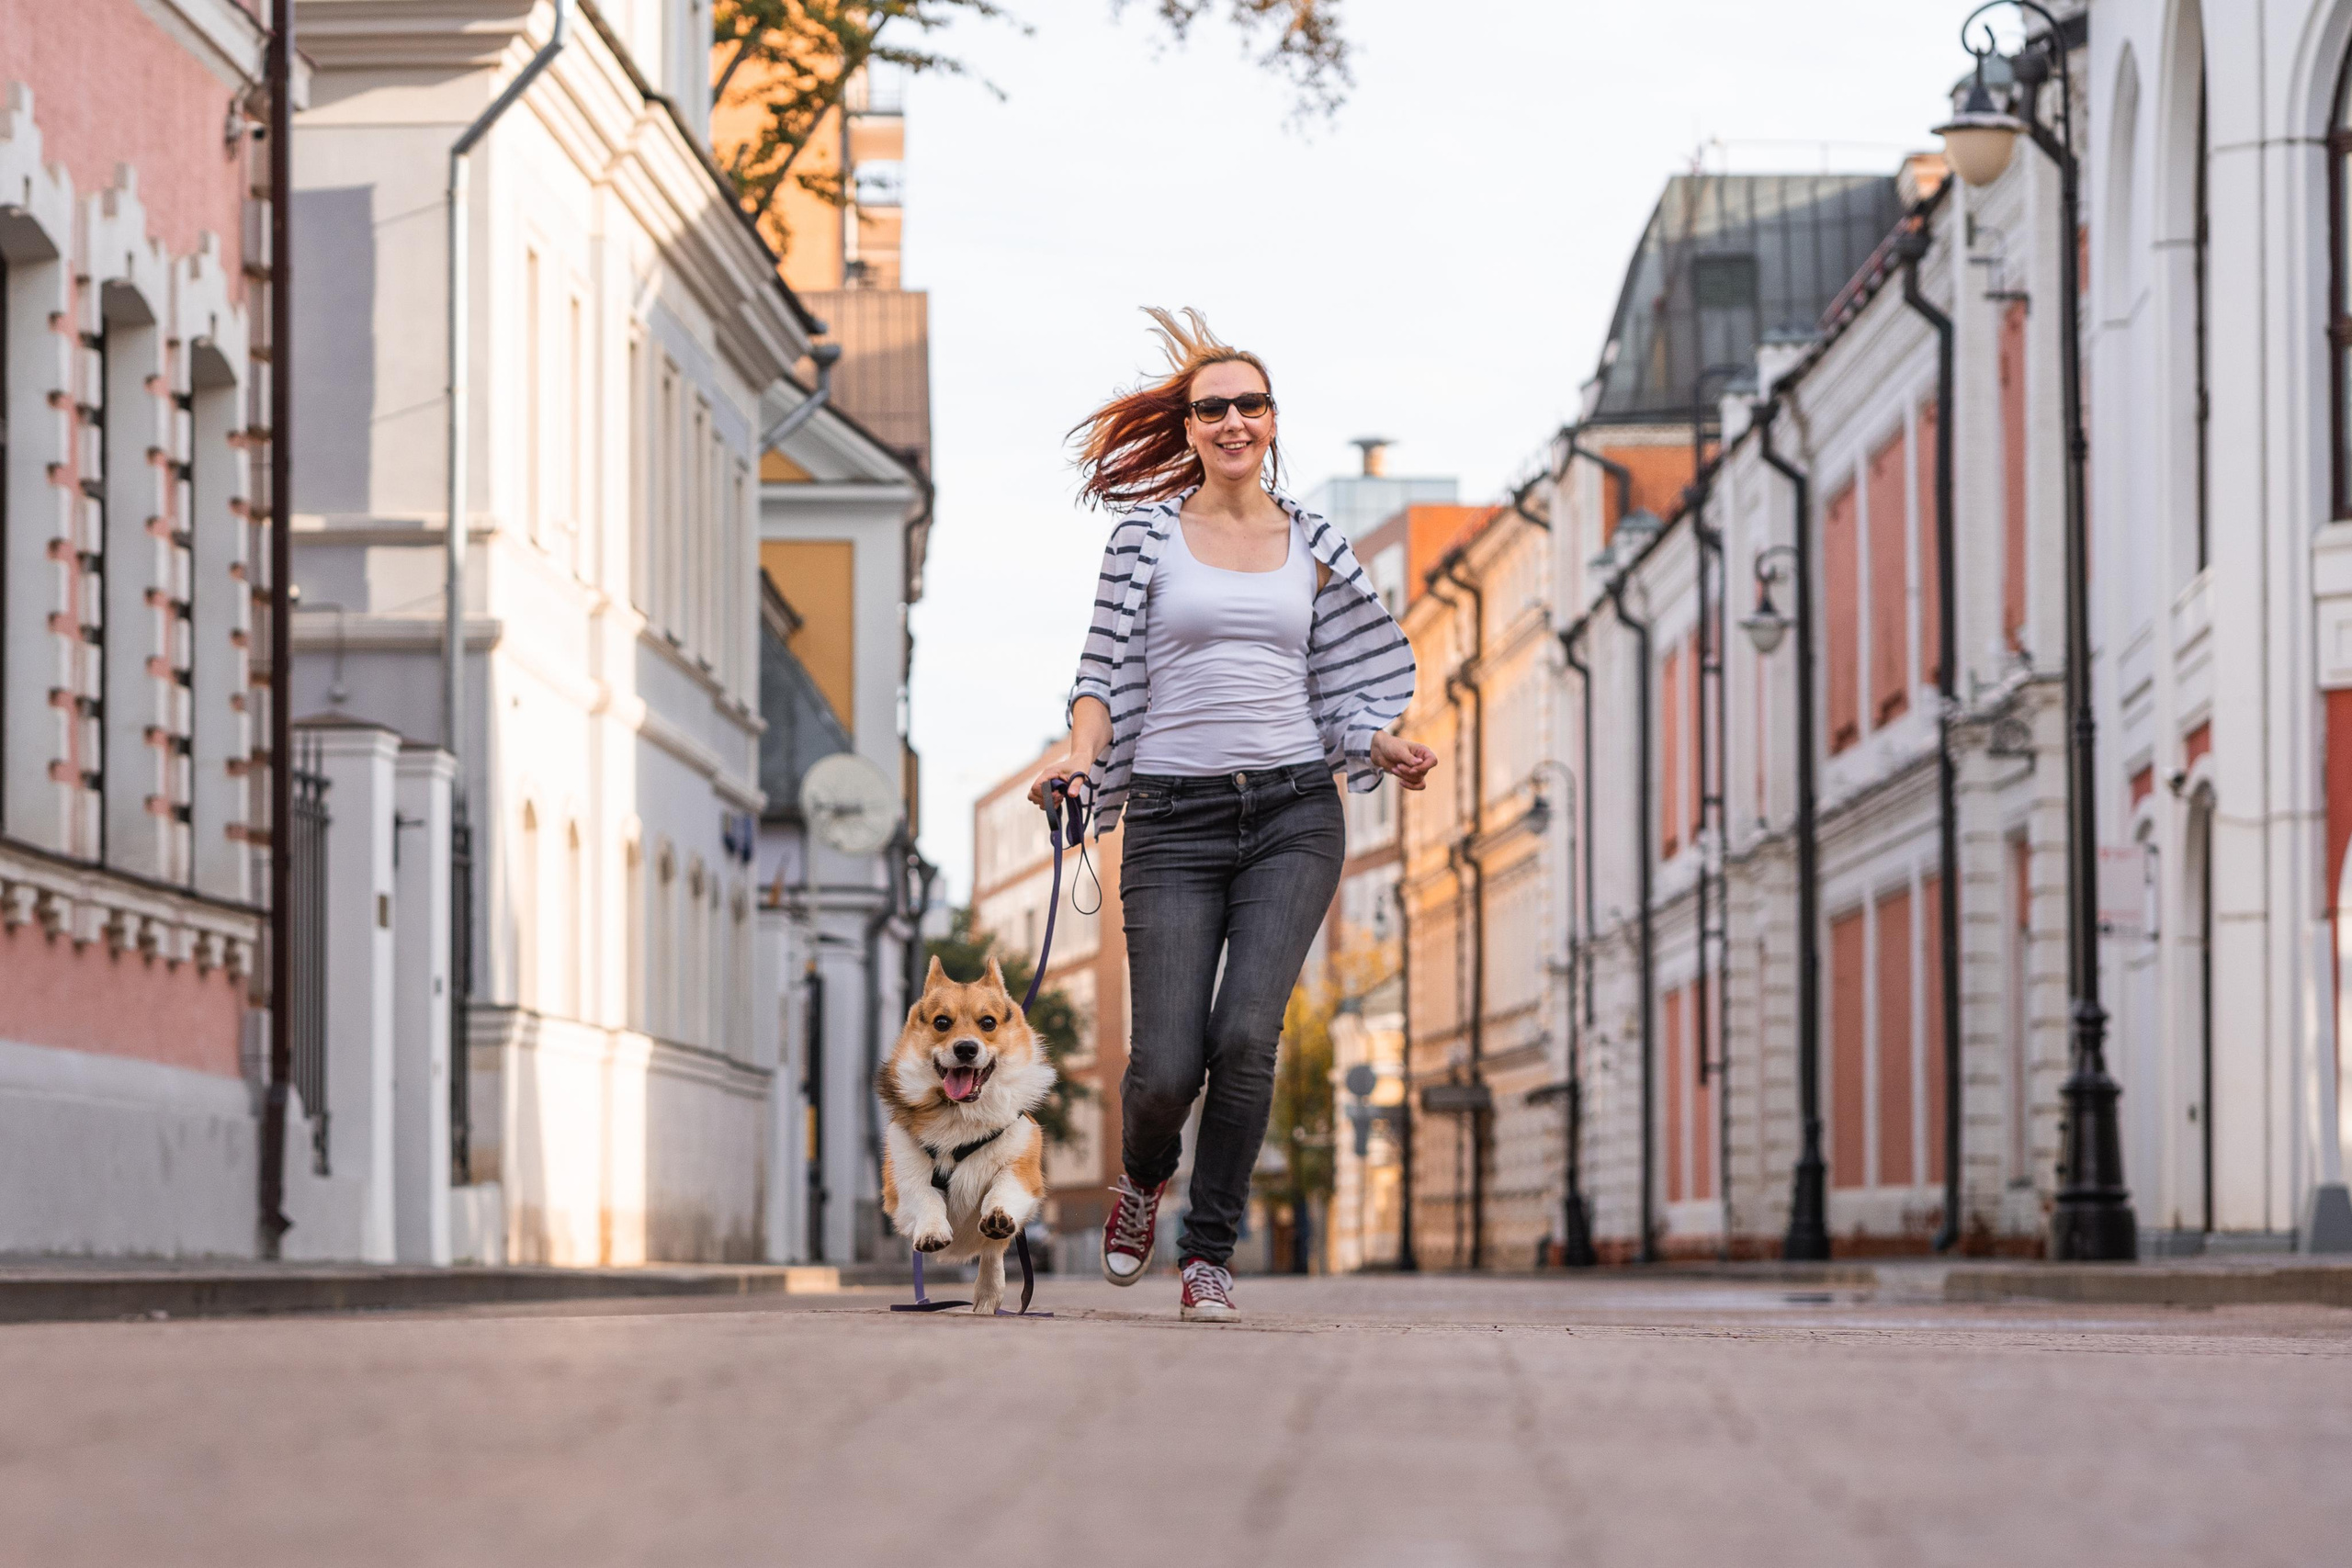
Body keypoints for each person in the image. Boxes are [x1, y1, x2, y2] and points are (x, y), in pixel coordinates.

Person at [1029, 308, 1437, 1321]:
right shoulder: (1144, 540)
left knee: (1248, 1033)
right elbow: (1099, 676)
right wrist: (1079, 759)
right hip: (1171, 822)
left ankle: (1207, 1254)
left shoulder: (1317, 543)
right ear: (1188, 427)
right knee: (1165, 1064)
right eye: (1211, 408)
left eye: (1249, 403)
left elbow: (1338, 682)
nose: (1232, 420)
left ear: (1271, 419)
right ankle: (1141, 1178)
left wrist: (1375, 739)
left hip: (1295, 810)